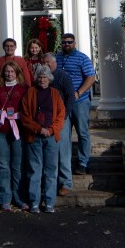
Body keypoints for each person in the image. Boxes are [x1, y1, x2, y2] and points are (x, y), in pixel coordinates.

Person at [20, 64, 65, 213]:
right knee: (34, 170)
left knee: (51, 170)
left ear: (49, 79)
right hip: (35, 136)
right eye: (40, 77)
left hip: (51, 137)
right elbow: (25, 116)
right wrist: (39, 129)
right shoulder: (30, 93)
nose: (42, 79)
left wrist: (51, 130)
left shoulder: (55, 94)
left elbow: (60, 115)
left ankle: (50, 202)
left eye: (45, 77)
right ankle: (34, 202)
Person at [0, 61, 27, 211]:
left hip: (17, 129)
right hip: (0, 130)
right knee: (2, 164)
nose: (9, 74)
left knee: (17, 165)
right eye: (7, 71)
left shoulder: (23, 89)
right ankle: (4, 197)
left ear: (17, 73)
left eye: (12, 72)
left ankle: (19, 196)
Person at [56, 33, 96, 176]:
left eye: (69, 42)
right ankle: (65, 163)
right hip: (63, 103)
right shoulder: (57, 58)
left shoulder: (82, 58)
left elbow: (91, 77)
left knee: (82, 133)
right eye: (64, 42)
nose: (67, 45)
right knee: (63, 134)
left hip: (80, 101)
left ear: (74, 43)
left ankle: (83, 162)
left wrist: (78, 92)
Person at [43, 52, 75, 195]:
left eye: (48, 63)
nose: (46, 65)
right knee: (50, 151)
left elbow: (70, 98)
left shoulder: (63, 76)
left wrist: (64, 116)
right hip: (46, 119)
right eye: (44, 63)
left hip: (61, 118)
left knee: (63, 151)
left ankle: (66, 182)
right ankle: (51, 182)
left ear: (55, 63)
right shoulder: (42, 78)